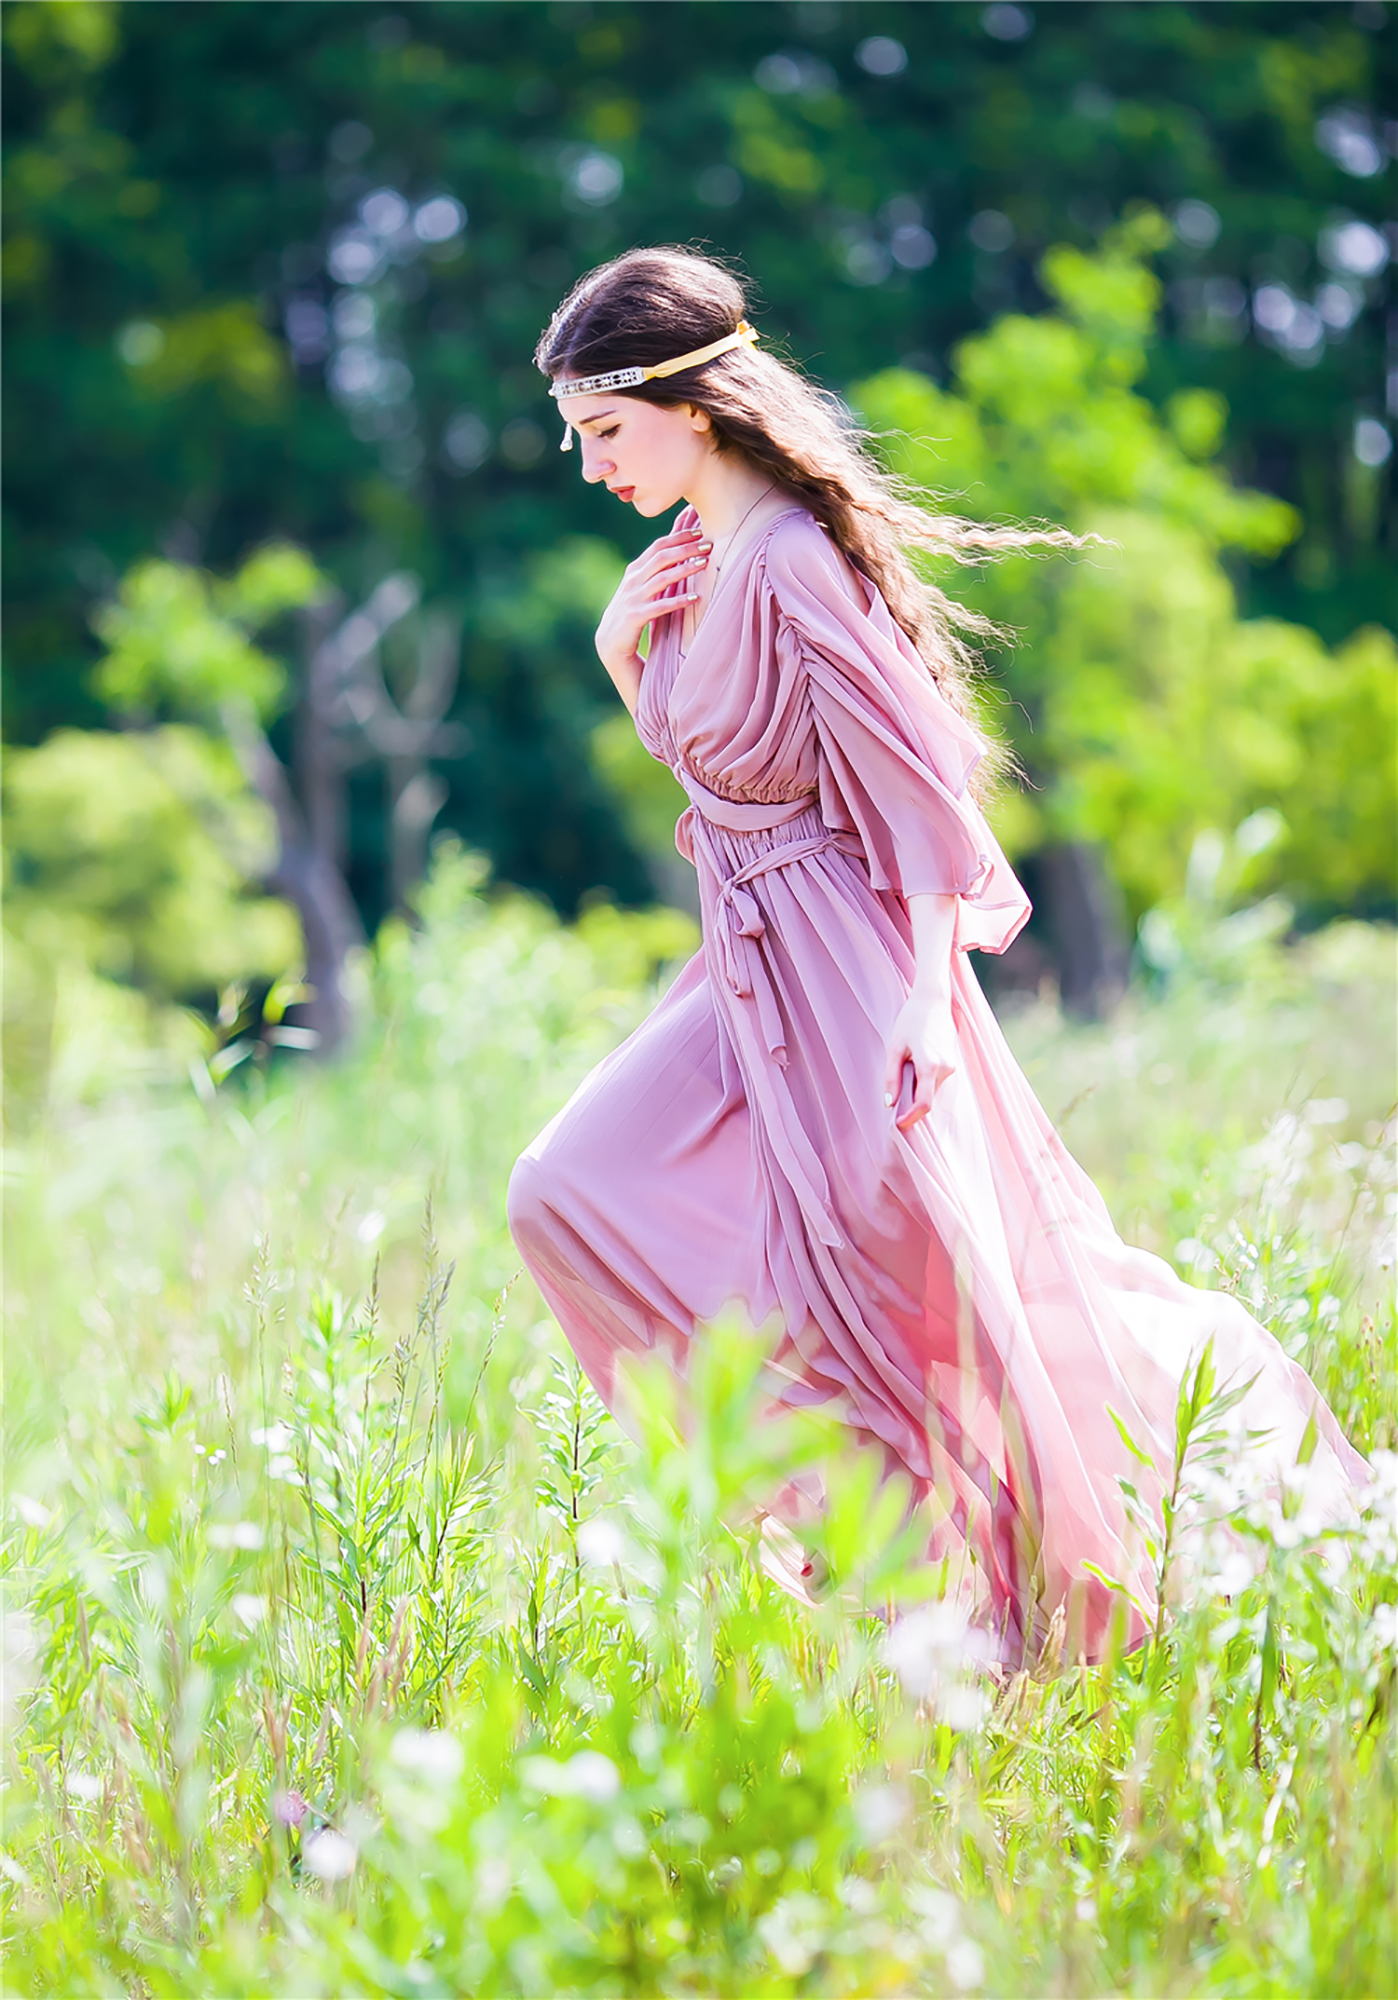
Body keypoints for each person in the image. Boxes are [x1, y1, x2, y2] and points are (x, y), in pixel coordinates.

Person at [507, 247, 1365, 1665]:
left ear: (693, 406)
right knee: (571, 1189)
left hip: (845, 971)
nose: (588, 466)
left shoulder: (788, 560)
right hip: (742, 962)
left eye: (603, 431)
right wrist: (619, 648)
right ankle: (875, 1544)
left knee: (922, 1285)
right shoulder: (701, 561)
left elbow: (919, 804)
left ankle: (1056, 1592)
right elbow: (717, 776)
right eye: (576, 438)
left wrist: (912, 1010)